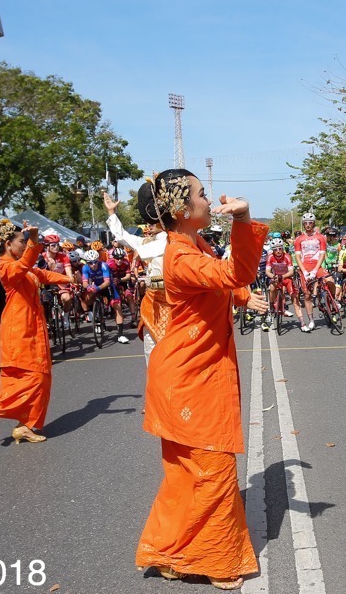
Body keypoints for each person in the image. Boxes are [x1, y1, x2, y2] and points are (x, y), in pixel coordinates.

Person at [134, 169, 268, 589]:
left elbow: (221, 282)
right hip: (191, 379)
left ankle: (166, 550)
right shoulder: (180, 255)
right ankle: (216, 561)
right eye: (202, 194)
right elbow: (231, 275)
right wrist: (243, 221)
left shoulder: (195, 244)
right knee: (213, 471)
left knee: (186, 475)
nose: (210, 200)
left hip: (188, 374)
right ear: (181, 209)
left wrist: (245, 296)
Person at [0, 220, 71, 444]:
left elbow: (41, 274)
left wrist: (68, 279)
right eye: (21, 242)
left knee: (42, 377)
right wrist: (35, 239)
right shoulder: (5, 266)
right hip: (18, 329)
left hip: (33, 327)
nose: (25, 245)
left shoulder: (24, 265)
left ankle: (25, 426)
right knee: (33, 377)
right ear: (8, 245)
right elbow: (26, 265)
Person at [103, 191, 168, 366]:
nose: (149, 223)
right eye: (148, 218)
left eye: (154, 218)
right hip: (152, 308)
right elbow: (122, 235)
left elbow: (167, 281)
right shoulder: (147, 242)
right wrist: (111, 213)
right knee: (152, 360)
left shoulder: (171, 242)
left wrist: (148, 281)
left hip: (173, 308)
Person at [293, 212, 334, 330]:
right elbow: (297, 257)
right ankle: (311, 320)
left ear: (313, 223)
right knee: (307, 295)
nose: (308, 225)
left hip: (317, 266)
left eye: (310, 223)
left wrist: (316, 270)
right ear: (303, 224)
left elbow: (322, 255)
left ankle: (333, 301)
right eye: (305, 223)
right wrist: (305, 271)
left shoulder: (320, 237)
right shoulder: (299, 239)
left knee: (330, 280)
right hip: (305, 267)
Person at [265, 236, 306, 331]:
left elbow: (291, 272)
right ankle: (271, 306)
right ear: (272, 250)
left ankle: (302, 323)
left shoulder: (287, 256)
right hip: (276, 278)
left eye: (280, 248)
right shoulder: (270, 257)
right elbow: (267, 271)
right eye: (275, 249)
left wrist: (282, 276)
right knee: (271, 288)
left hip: (286, 278)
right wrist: (273, 277)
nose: (278, 251)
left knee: (294, 299)